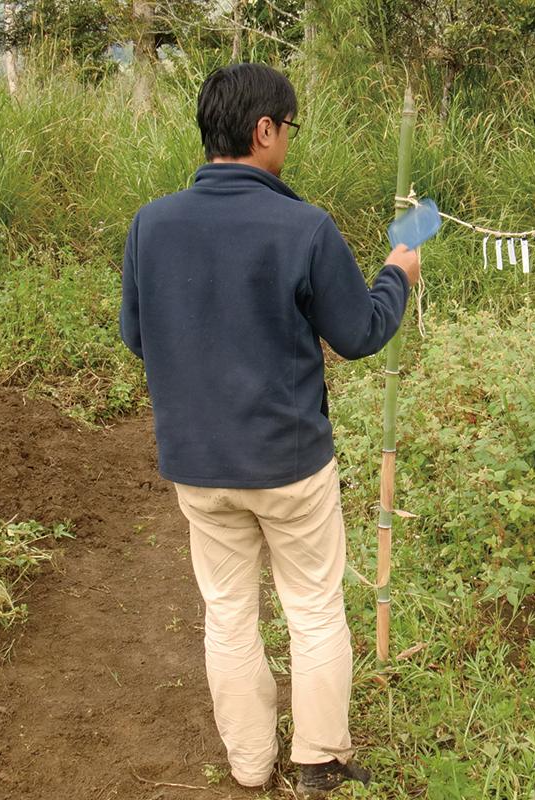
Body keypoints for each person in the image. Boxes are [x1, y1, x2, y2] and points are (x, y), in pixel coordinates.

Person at [119, 63, 420, 796]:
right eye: (289, 127)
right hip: (288, 465)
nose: (289, 139)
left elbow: (137, 336)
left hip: (197, 463)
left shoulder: (151, 224)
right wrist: (398, 273)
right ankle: (319, 759)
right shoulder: (303, 226)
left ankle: (249, 765)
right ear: (264, 131)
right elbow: (358, 333)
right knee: (313, 608)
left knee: (226, 615)